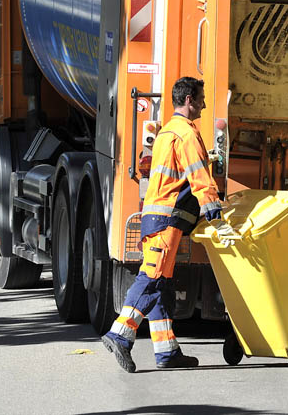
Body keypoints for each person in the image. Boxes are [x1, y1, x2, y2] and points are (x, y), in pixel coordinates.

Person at [102, 76, 223, 373]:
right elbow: (198, 175)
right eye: (202, 99)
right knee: (153, 277)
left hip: (157, 217)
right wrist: (213, 209)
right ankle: (120, 333)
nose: (205, 105)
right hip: (167, 218)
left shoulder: (168, 131)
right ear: (189, 100)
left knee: (163, 284)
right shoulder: (186, 134)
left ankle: (167, 351)